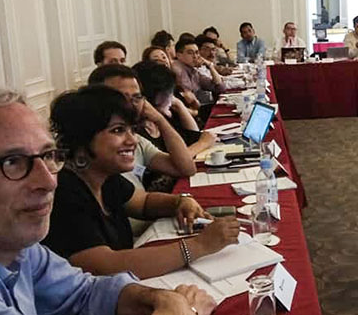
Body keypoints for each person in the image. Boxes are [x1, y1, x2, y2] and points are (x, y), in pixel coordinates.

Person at [0, 87, 215, 315]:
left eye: (48, 156)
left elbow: (83, 294)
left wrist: (164, 301)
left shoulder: (6, 240)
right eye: (13, 162)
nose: (48, 182)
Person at [43, 86, 239, 281]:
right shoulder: (63, 191)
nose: (133, 141)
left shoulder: (104, 176)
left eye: (132, 130)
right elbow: (102, 266)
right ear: (82, 141)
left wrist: (181, 201)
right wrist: (199, 246)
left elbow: (143, 203)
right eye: (118, 130)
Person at [88, 65, 198, 234]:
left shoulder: (135, 140)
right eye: (121, 98)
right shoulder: (90, 161)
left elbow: (185, 168)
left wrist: (160, 119)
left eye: (136, 98)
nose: (131, 106)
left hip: (151, 231)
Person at [133, 60, 216, 177]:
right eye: (169, 93)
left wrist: (180, 105)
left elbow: (192, 137)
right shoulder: (137, 132)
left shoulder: (164, 117)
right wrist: (202, 144)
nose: (172, 97)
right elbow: (179, 163)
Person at [172, 36, 226, 102]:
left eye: (197, 52)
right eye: (190, 53)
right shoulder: (178, 70)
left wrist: (210, 65)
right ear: (178, 55)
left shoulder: (193, 70)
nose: (195, 56)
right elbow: (189, 99)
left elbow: (220, 87)